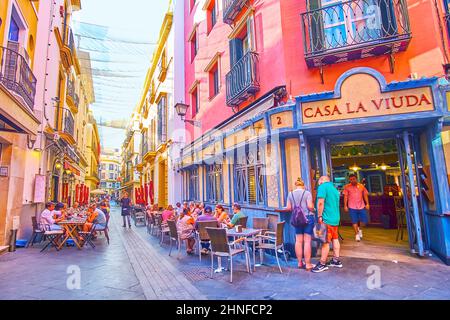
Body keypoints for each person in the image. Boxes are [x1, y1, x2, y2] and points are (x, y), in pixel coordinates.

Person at [276, 178, 315, 270]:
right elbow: (310, 207)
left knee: (298, 241)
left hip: (297, 219)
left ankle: (299, 262)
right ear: (303, 185)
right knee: (307, 241)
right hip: (307, 218)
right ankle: (308, 264)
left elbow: (289, 208)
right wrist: (313, 207)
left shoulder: (290, 194)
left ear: (296, 185)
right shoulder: (307, 193)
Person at [312, 176, 343, 273]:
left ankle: (322, 263)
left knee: (325, 241)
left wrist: (319, 215)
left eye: (319, 181)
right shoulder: (334, 189)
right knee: (335, 238)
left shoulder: (322, 187)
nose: (318, 183)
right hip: (335, 218)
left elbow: (320, 202)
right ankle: (336, 260)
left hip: (327, 218)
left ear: (321, 180)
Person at [344, 174, 370, 241]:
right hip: (352, 207)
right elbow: (345, 197)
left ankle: (360, 229)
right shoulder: (347, 187)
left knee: (364, 221)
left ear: (356, 179)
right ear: (349, 180)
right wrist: (345, 206)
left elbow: (365, 195)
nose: (352, 180)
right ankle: (357, 234)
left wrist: (367, 204)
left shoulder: (361, 186)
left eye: (353, 179)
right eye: (351, 179)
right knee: (354, 221)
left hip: (361, 206)